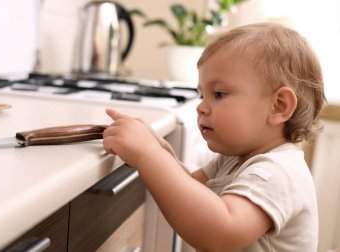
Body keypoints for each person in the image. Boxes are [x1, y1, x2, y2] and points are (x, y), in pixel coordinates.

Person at [103, 22, 326, 251]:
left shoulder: (279, 173)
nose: (201, 107)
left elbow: (221, 232)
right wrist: (157, 150)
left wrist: (148, 155)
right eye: (202, 95)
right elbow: (190, 189)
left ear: (279, 106)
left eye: (218, 94)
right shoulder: (235, 160)